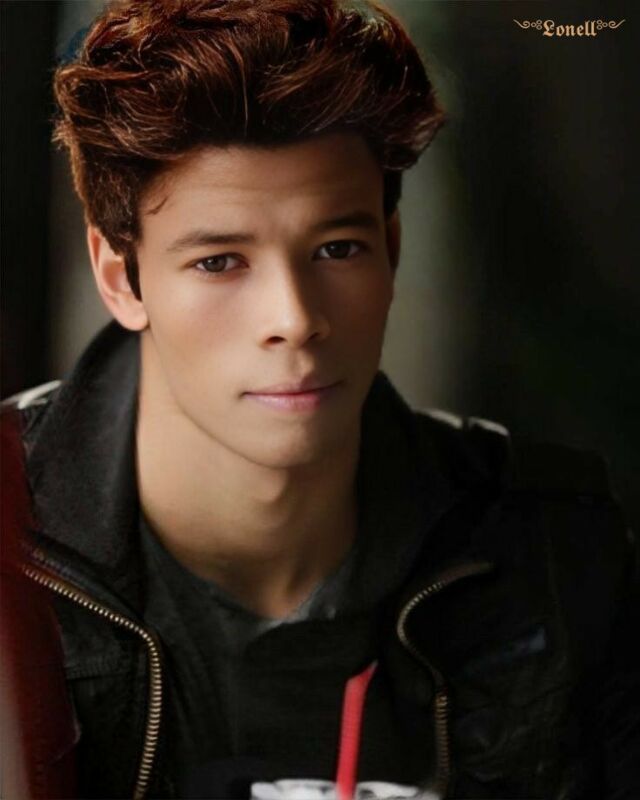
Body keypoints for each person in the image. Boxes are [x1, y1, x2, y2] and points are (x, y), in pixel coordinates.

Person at [1, 1, 638, 798]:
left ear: (391, 249)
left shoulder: (553, 551)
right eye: (219, 261)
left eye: (338, 248)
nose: (295, 318)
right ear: (119, 278)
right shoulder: (8, 537)